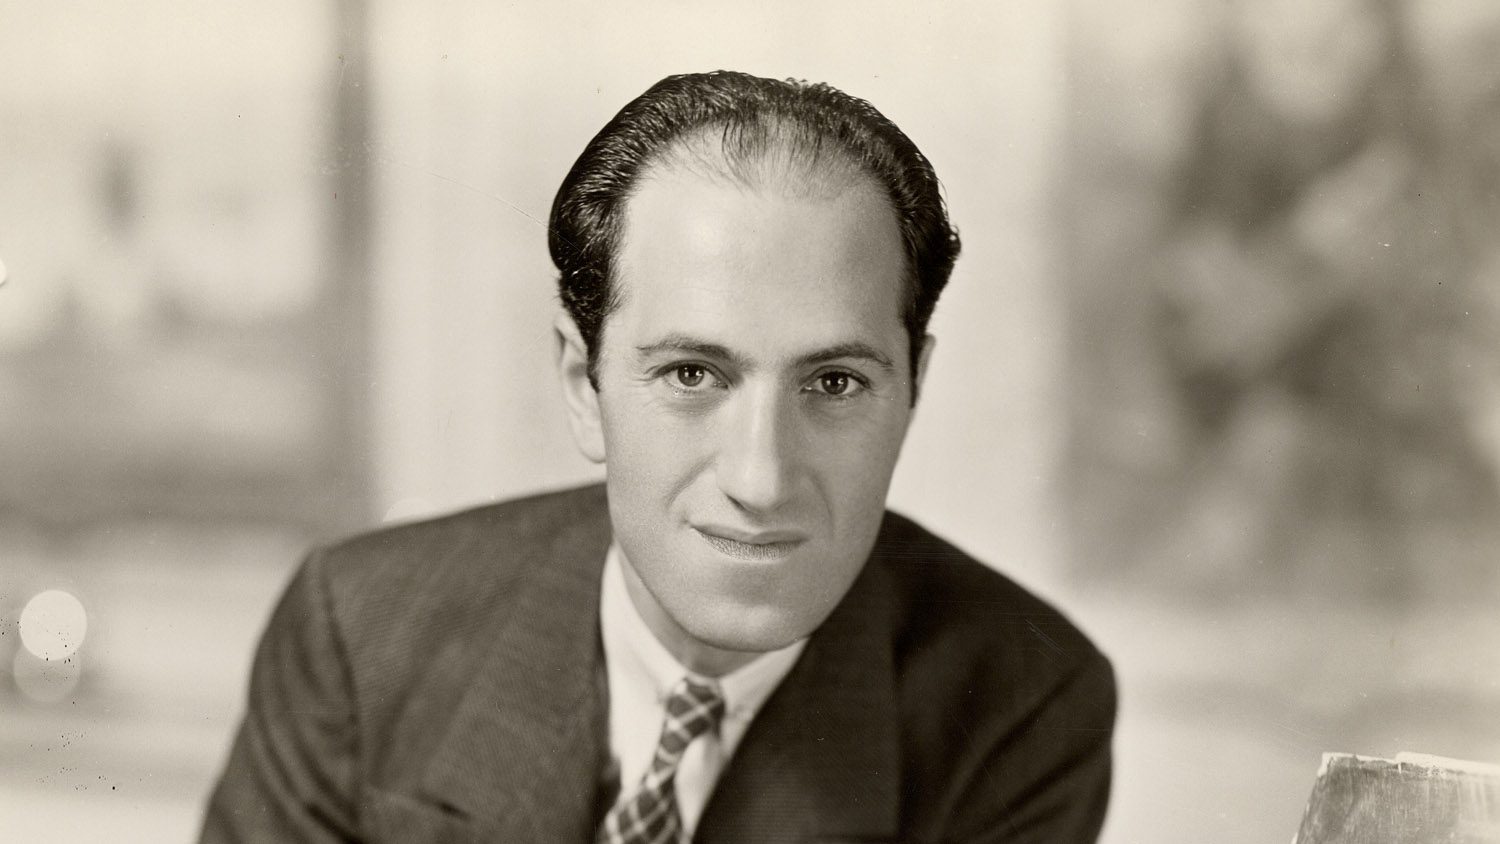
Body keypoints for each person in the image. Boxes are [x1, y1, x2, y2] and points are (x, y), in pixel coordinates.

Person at [201, 70, 1116, 844]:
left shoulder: (1022, 701)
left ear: (913, 387)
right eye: (692, 374)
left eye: (834, 383)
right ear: (582, 382)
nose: (760, 480)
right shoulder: (359, 632)